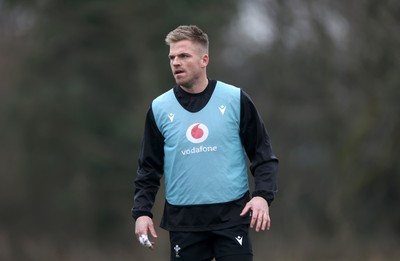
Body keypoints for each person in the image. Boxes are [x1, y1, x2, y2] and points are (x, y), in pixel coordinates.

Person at [132, 25, 278, 261]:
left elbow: (263, 154)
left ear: (204, 59)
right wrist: (141, 212)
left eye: (183, 56)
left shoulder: (235, 99)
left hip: (231, 217)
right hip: (184, 223)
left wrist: (262, 195)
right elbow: (148, 168)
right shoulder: (159, 108)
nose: (176, 62)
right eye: (172, 57)